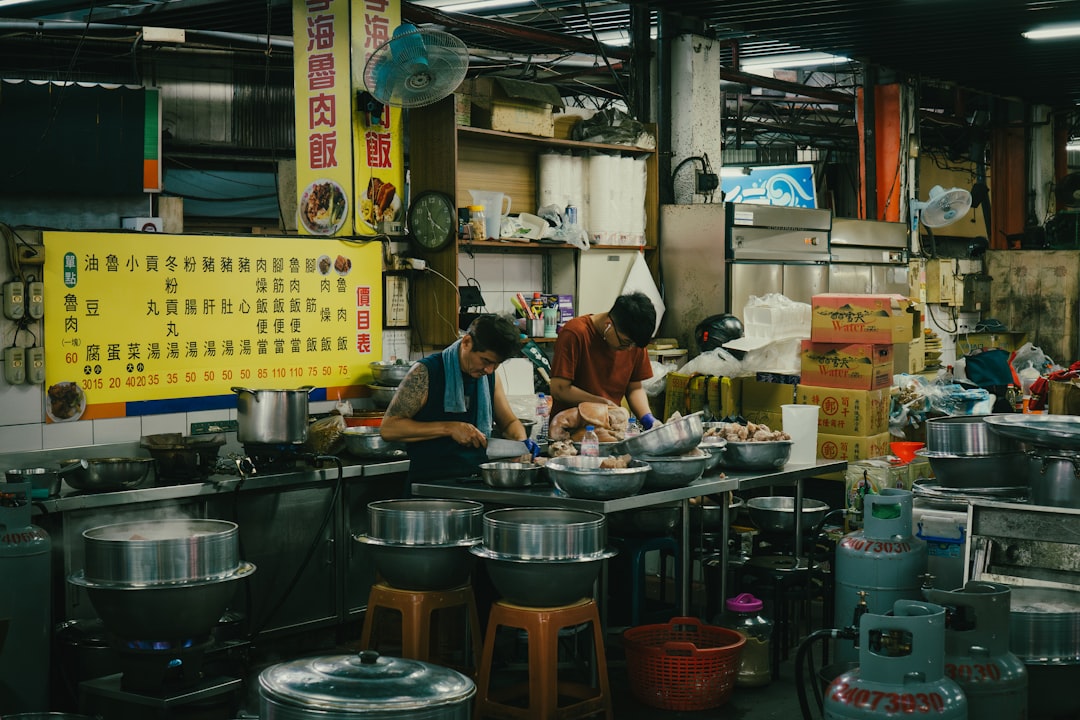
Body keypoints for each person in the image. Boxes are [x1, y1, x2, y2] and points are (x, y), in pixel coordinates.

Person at [380, 314, 539, 482]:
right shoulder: (426, 372)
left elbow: (509, 423)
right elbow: (389, 428)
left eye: (496, 364)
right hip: (429, 486)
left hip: (476, 482)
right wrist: (449, 428)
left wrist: (521, 444)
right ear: (466, 342)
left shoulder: (489, 377)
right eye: (485, 360)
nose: (490, 370)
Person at [549, 291, 660, 429]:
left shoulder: (633, 341)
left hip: (609, 428)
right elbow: (559, 388)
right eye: (625, 343)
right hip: (570, 428)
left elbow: (634, 388)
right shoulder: (575, 333)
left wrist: (648, 419)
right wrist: (601, 403)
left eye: (633, 345)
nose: (629, 349)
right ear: (609, 324)